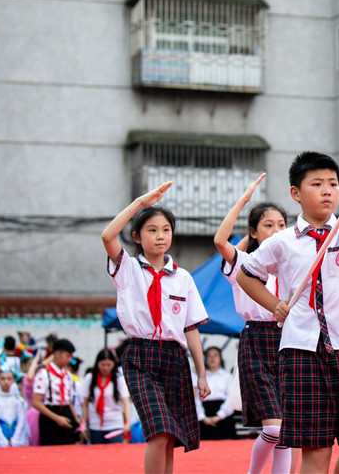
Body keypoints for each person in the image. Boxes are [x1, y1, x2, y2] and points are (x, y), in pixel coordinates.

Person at [238, 151, 339, 474]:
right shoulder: (282, 242)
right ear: (296, 193)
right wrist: (274, 305)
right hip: (302, 349)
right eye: (317, 184)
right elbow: (246, 274)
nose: (327, 190)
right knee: (316, 451)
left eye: (333, 183)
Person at [101, 181, 210, 473]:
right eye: (152, 230)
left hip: (175, 358)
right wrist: (140, 202)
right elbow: (108, 235)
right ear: (137, 236)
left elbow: (191, 328)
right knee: (159, 429)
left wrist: (201, 375)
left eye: (165, 230)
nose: (160, 236)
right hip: (141, 356)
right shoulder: (128, 269)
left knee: (171, 436)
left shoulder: (183, 278)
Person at [213, 173, 292, 473]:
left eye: (282, 225)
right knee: (273, 429)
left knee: (287, 432)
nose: (276, 231)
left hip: (288, 341)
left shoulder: (292, 263)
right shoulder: (244, 263)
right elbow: (221, 240)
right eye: (268, 225)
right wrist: (245, 199)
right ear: (254, 232)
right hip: (256, 342)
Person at [32, 338, 82, 445]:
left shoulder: (68, 375)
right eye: (67, 356)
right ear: (57, 354)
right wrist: (56, 418)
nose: (69, 360)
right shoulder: (44, 374)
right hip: (49, 415)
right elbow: (36, 403)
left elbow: (68, 400)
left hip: (66, 413)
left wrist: (76, 418)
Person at [80, 348, 131, 444]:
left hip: (114, 424)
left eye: (109, 365)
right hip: (95, 425)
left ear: (113, 364)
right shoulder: (90, 379)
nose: (105, 368)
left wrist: (127, 423)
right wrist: (83, 424)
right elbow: (85, 404)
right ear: (97, 364)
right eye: (102, 365)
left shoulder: (118, 379)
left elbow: (126, 404)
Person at [0, 365, 29, 447]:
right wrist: (2, 440)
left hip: (16, 436)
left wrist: (14, 439)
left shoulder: (18, 401)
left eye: (9, 379)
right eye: (3, 379)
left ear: (13, 380)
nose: (6, 382)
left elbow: (21, 420)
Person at [200, 346, 236, 440]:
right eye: (209, 356)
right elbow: (195, 399)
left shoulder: (227, 377)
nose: (212, 359)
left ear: (220, 358)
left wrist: (220, 415)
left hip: (223, 415)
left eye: (215, 355)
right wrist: (202, 417)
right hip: (204, 414)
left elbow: (231, 398)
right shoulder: (200, 378)